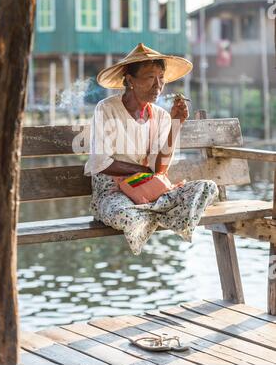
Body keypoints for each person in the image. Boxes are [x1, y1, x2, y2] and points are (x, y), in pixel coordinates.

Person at [84, 43, 219, 255]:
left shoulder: (162, 116)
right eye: (149, 77)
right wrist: (142, 172)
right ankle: (162, 213)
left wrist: (176, 124)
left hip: (150, 191)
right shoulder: (107, 108)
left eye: (161, 78)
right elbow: (102, 163)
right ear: (130, 80)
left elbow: (159, 170)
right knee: (124, 214)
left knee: (208, 188)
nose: (158, 85)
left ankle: (151, 212)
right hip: (113, 193)